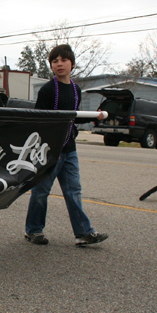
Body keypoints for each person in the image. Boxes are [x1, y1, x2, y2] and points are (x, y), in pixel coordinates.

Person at [24, 44, 108, 247]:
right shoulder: (47, 90)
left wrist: (93, 117)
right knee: (41, 192)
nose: (59, 64)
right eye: (55, 61)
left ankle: (83, 233)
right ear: (51, 66)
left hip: (70, 150)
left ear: (72, 64)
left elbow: (74, 117)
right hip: (49, 151)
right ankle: (34, 230)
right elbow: (39, 121)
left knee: (73, 192)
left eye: (63, 60)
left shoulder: (76, 89)